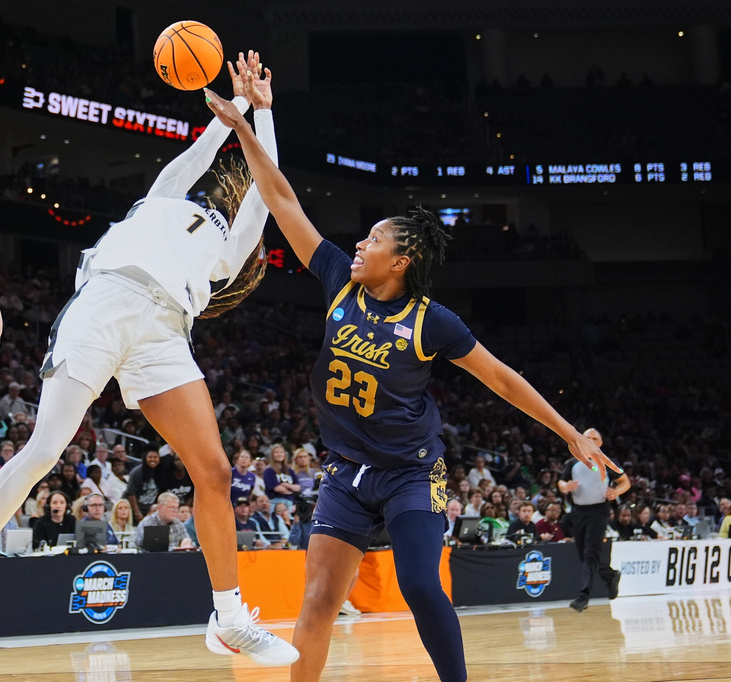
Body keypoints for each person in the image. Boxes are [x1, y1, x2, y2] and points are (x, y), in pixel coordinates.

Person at [204, 68, 618, 682]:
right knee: (317, 601)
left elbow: (501, 378)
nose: (360, 244)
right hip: (346, 475)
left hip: (410, 473)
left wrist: (567, 433)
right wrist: (246, 128)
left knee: (421, 583)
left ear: (401, 261)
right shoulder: (337, 280)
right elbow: (283, 200)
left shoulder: (432, 321)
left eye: (373, 239)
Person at [0, 53, 295, 666]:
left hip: (167, 331)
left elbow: (268, 189)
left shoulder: (226, 256)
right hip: (107, 300)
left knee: (217, 474)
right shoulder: (163, 202)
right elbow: (193, 162)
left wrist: (267, 116)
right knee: (45, 449)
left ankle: (228, 617)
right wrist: (234, 116)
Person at [557, 428, 630, 613]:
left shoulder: (607, 462)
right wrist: (566, 486)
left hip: (599, 510)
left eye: (594, 438)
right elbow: (561, 482)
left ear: (600, 443)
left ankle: (584, 596)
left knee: (591, 552)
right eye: (586, 438)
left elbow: (625, 482)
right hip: (578, 511)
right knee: (584, 555)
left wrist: (616, 492)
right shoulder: (572, 463)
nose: (590, 440)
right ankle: (610, 575)